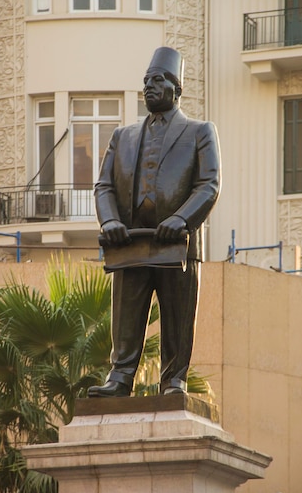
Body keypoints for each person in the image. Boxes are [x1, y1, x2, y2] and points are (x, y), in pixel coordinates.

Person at [88, 46, 221, 397]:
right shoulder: (123, 136)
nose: (149, 86)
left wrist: (180, 218)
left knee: (177, 316)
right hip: (131, 243)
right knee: (126, 313)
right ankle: (120, 378)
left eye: (158, 79)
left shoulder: (200, 131)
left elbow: (209, 185)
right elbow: (104, 185)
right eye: (146, 80)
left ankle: (174, 379)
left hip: (177, 244)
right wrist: (110, 222)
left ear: (176, 88)